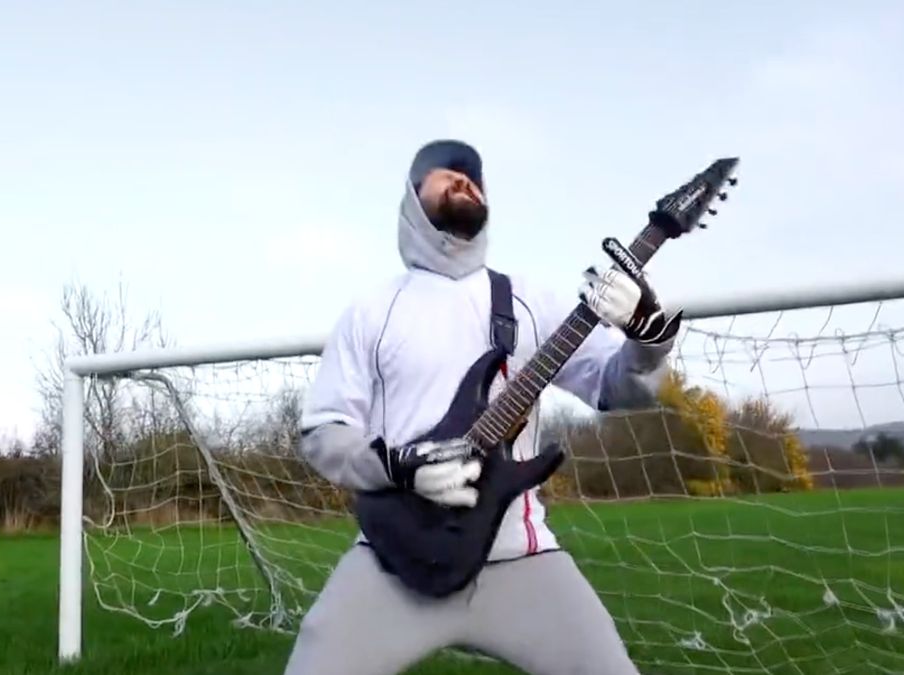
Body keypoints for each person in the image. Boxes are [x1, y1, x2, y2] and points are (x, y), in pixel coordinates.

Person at [284, 139, 682, 674]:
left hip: (521, 557)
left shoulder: (529, 301)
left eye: (474, 178)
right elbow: (324, 434)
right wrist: (400, 469)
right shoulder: (371, 312)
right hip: (392, 560)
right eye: (446, 173)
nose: (465, 180)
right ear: (410, 196)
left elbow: (620, 391)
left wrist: (645, 337)